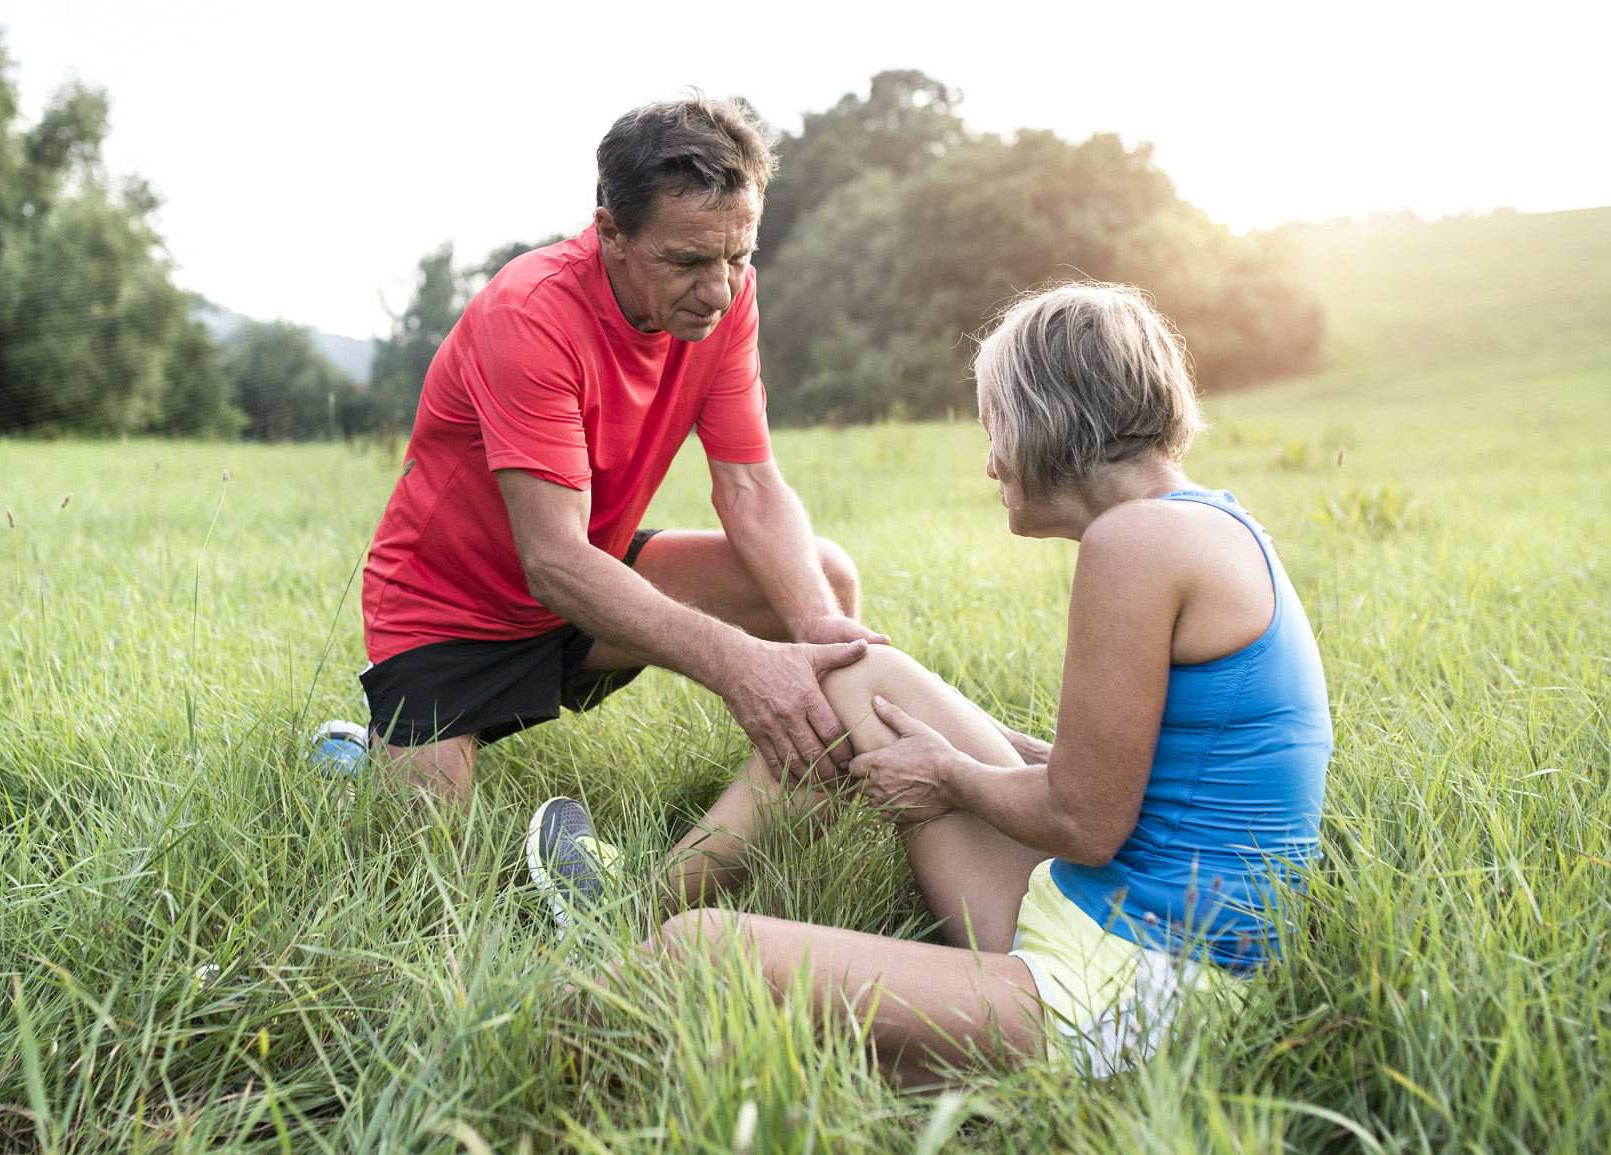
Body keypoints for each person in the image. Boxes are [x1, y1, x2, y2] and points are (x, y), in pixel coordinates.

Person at [541, 283, 1334, 1083]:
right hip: (1106, 914)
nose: (992, 461)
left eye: (996, 428)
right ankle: (630, 908)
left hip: (1136, 993)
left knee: (704, 951)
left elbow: (1085, 820)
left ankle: (517, 1051)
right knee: (865, 679)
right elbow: (1154, 768)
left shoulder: (1136, 543)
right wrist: (977, 747)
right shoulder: (1198, 521)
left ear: (1048, 417)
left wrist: (947, 771)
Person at [322, 93, 885, 866]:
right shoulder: (529, 314)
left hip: (591, 583)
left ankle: (673, 885)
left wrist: (814, 629)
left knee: (823, 581)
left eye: (738, 256)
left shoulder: (723, 303)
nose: (719, 289)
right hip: (450, 612)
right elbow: (549, 559)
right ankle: (367, 752)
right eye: (687, 261)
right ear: (610, 230)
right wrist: (741, 665)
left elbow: (750, 485)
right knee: (421, 872)